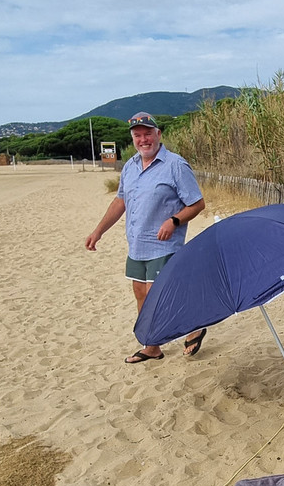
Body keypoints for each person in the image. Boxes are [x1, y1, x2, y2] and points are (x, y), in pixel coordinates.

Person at [86, 112, 207, 364]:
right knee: (140, 293)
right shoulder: (130, 166)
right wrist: (98, 231)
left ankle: (194, 327)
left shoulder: (175, 165)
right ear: (133, 139)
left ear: (158, 134)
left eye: (148, 134)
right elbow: (120, 201)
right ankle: (152, 346)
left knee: (158, 296)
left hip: (164, 245)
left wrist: (174, 221)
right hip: (137, 244)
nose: (143, 140)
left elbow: (197, 204)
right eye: (138, 135)